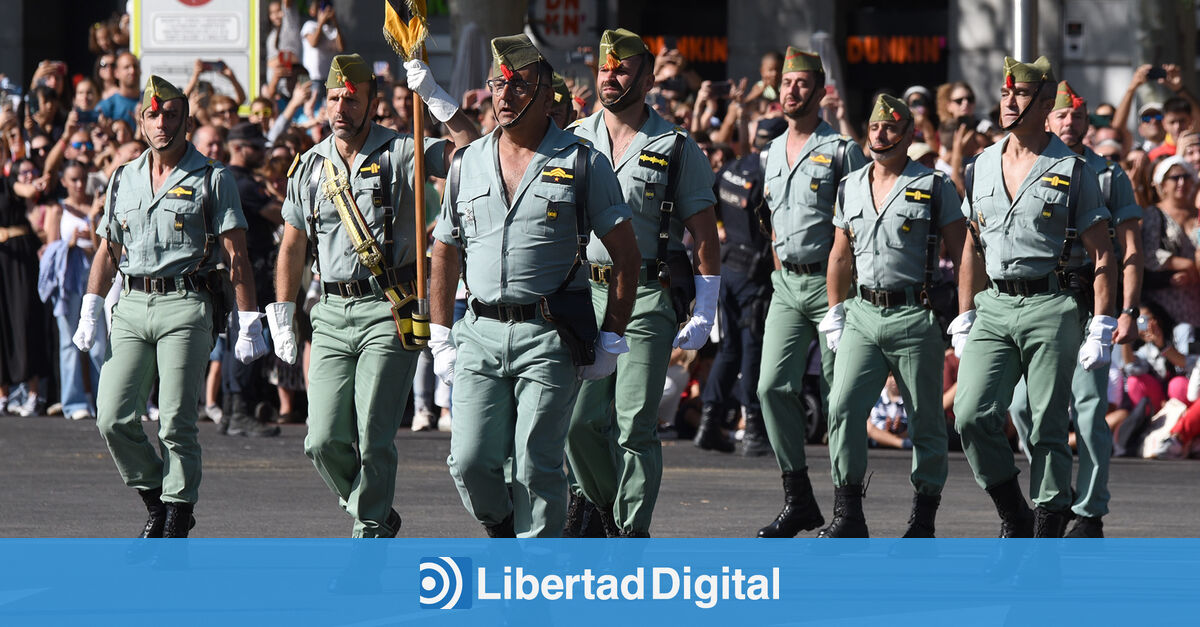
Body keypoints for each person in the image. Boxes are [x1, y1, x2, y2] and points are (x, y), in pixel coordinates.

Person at [429, 34, 638, 538]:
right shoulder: (466, 162)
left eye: (518, 84)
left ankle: (534, 579)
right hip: (478, 331)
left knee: (535, 464)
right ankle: (503, 532)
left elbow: (628, 255)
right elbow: (445, 249)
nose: (504, 94)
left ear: (547, 96)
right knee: (471, 460)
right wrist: (439, 335)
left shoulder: (583, 161)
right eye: (497, 84)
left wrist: (611, 334)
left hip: (548, 335)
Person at [270, 54, 478, 537]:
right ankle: (377, 512)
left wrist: (436, 98)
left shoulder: (403, 151)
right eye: (334, 98)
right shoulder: (308, 166)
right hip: (330, 311)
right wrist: (281, 312)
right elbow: (293, 244)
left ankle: (368, 536)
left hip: (390, 308)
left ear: (373, 103)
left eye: (352, 99)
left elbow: (472, 150)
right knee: (320, 440)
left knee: (373, 435)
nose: (341, 108)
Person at [73, 76, 269, 538]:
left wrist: (249, 321)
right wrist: (91, 305)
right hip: (133, 303)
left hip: (187, 302)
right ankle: (156, 499)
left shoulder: (211, 176)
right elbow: (108, 249)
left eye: (172, 115)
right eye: (153, 115)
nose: (162, 123)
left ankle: (177, 518)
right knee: (113, 417)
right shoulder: (124, 176)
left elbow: (236, 252)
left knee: (177, 420)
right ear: (141, 122)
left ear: (186, 120)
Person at [564, 28, 721, 538]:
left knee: (634, 424)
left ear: (648, 78)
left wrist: (706, 307)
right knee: (577, 422)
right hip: (584, 292)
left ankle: (630, 535)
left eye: (623, 69)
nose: (611, 77)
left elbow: (702, 232)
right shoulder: (573, 138)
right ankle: (602, 507)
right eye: (605, 69)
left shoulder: (675, 146)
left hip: (648, 297)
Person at [952, 57, 1116, 538]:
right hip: (995, 307)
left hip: (1052, 303)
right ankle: (1014, 514)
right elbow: (972, 246)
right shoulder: (980, 164)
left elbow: (1103, 252)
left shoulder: (1072, 169)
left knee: (1047, 424)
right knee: (970, 416)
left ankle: (1046, 531)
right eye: (1005, 93)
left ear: (1046, 105)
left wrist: (1103, 322)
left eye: (1020, 95)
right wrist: (963, 315)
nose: (1008, 101)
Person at [817, 94, 965, 538]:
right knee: (842, 406)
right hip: (862, 312)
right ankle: (848, 514)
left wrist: (967, 313)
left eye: (890, 128)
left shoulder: (935, 185)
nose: (880, 135)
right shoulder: (851, 185)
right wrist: (834, 309)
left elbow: (964, 252)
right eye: (874, 128)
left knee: (926, 421)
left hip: (913, 315)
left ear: (908, 135)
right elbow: (841, 254)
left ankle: (923, 518)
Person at [1006, 81, 1145, 538]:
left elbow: (1128, 250)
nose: (1071, 123)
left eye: (1078, 116)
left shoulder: (1107, 175)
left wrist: (1126, 310)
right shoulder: (1030, 167)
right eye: (1062, 115)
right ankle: (1055, 492)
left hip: (1089, 302)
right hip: (1040, 302)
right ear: (1046, 119)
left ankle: (1089, 510)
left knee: (1087, 408)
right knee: (1024, 406)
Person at [754, 47, 868, 538]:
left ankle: (848, 510)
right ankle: (799, 497)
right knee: (770, 387)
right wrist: (782, 266)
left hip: (832, 285)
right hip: (786, 284)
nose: (791, 91)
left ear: (821, 90)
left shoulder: (842, 150)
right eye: (786, 83)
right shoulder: (769, 152)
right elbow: (772, 221)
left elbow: (863, 223)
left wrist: (847, 292)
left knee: (838, 398)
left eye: (802, 83)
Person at [698, 116, 786, 457]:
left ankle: (709, 421)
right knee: (751, 350)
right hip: (753, 274)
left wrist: (721, 229)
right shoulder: (771, 176)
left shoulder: (735, 166)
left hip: (728, 266)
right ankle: (753, 429)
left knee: (730, 349)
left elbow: (709, 200)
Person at [220, 122, 285, 437]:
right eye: (256, 147)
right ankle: (239, 412)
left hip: (244, 269)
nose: (263, 153)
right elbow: (279, 213)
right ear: (238, 147)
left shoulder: (233, 180)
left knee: (238, 337)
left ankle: (232, 411)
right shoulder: (241, 183)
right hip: (249, 270)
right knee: (247, 334)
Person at [42, 160, 107, 421]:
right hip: (69, 277)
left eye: (83, 179)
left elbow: (104, 244)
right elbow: (50, 250)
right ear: (64, 182)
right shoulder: (58, 209)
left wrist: (92, 220)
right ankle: (73, 402)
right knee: (69, 342)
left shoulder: (97, 206)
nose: (80, 185)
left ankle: (104, 400)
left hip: (94, 275)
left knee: (100, 342)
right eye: (74, 180)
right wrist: (68, 243)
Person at [96, 52, 141, 129]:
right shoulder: (106, 107)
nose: (132, 71)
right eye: (126, 67)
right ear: (116, 73)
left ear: (140, 70)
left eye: (135, 66)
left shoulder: (150, 100)